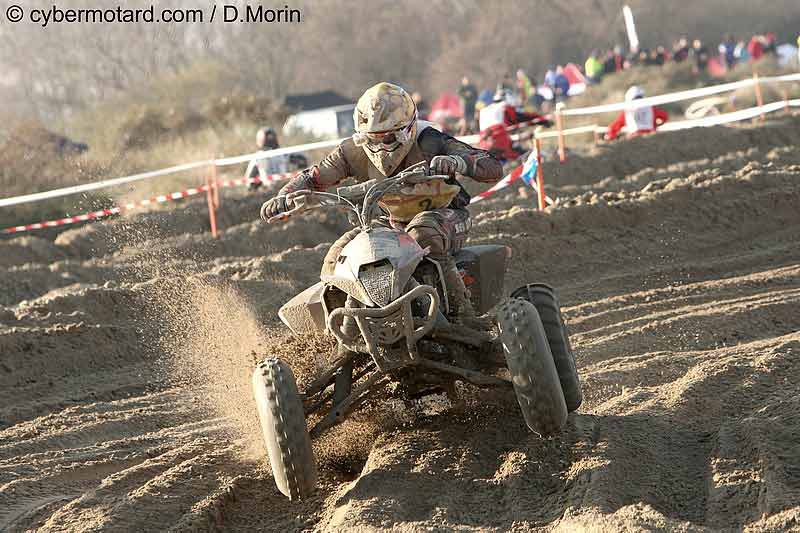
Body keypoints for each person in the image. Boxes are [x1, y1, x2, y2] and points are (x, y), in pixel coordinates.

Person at [260, 82, 502, 322]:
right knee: (339, 255)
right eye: (370, 138)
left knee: (424, 233)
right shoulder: (352, 151)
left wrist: (457, 162)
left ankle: (463, 316)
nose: (378, 145)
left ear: (407, 129)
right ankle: (335, 329)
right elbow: (313, 178)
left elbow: (491, 165)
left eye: (386, 137)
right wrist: (284, 196)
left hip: (446, 215)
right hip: (392, 222)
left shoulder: (429, 141)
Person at [478, 86, 551, 161]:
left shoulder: (484, 110)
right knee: (523, 156)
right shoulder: (503, 107)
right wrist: (542, 120)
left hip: (483, 146)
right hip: (499, 143)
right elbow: (523, 117)